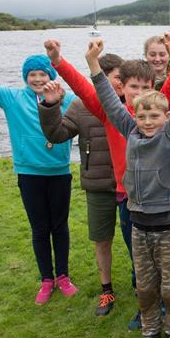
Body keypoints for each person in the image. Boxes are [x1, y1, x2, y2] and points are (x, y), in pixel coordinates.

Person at [47, 37, 170, 330]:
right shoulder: (111, 113)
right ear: (122, 88)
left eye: (146, 87)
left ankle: (166, 303)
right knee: (138, 258)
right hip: (128, 200)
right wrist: (58, 61)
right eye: (133, 87)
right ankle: (146, 307)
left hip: (162, 201)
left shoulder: (159, 113)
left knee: (163, 259)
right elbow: (84, 87)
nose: (140, 93)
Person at [88, 33, 170, 338]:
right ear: (134, 116)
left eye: (154, 117)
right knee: (146, 289)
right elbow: (108, 100)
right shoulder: (130, 129)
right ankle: (150, 336)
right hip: (140, 226)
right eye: (142, 116)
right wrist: (93, 65)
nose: (147, 122)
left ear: (165, 118)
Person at [0, 25, 78, 304]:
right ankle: (46, 279)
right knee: (39, 228)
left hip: (59, 173)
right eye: (32, 74)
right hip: (29, 173)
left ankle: (64, 277)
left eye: (42, 74)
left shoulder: (66, 99)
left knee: (60, 226)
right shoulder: (12, 99)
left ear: (51, 76)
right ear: (26, 77)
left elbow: (91, 104)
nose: (37, 79)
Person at [39, 53, 125, 315]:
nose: (121, 84)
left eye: (123, 79)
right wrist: (51, 105)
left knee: (138, 242)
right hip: (98, 185)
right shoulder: (81, 105)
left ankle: (139, 284)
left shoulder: (132, 103)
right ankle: (106, 291)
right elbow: (57, 134)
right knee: (102, 240)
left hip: (131, 186)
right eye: (117, 79)